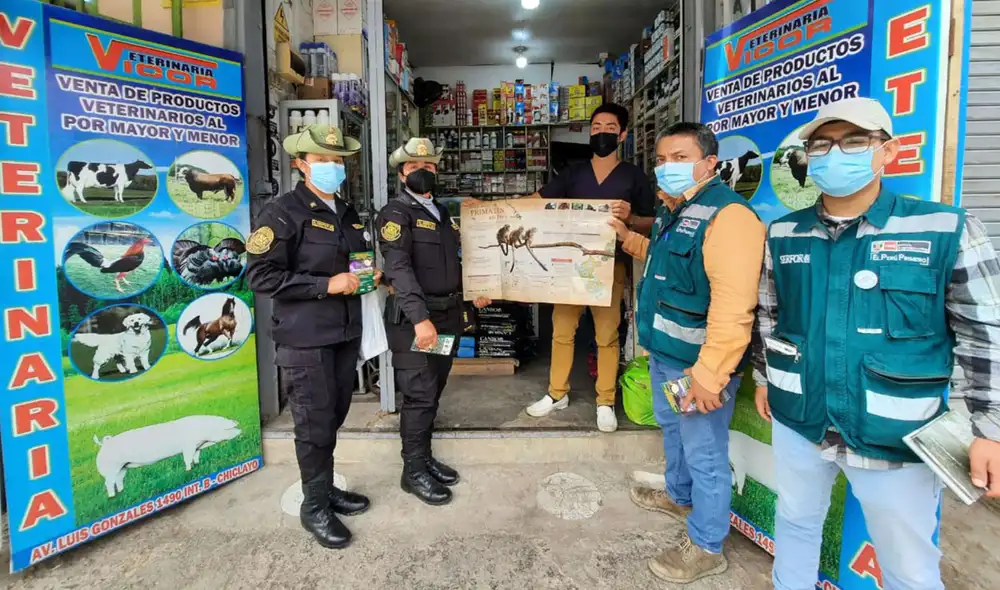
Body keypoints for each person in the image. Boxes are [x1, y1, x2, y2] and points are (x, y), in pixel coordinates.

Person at [751, 97, 1000, 590]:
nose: (834, 153)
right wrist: (765, 376)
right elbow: (770, 316)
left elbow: (984, 333)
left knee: (907, 566)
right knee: (796, 525)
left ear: (888, 152)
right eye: (821, 144)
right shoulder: (783, 233)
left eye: (854, 141)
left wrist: (989, 427)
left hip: (897, 434)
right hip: (801, 419)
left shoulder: (944, 228)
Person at [608, 123, 765, 583]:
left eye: (679, 157)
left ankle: (707, 544)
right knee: (674, 430)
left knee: (705, 452)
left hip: (698, 365)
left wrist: (710, 375)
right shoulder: (676, 209)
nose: (667, 167)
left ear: (709, 163)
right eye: (661, 159)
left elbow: (736, 307)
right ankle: (679, 497)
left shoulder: (729, 216)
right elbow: (661, 261)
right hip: (666, 354)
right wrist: (625, 236)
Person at [246, 123, 379, 549]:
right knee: (313, 423)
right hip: (305, 340)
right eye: (323, 160)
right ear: (300, 164)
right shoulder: (282, 213)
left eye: (338, 160)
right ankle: (314, 506)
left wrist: (364, 277)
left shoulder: (346, 210)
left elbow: (353, 263)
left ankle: (324, 490)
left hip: (342, 334)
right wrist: (326, 285)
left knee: (334, 416)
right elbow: (261, 275)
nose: (332, 167)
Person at [523, 102, 657, 432]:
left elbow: (655, 221)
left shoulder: (633, 177)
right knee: (562, 332)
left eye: (609, 128)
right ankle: (557, 393)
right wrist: (490, 210)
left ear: (622, 134)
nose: (601, 133)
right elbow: (538, 200)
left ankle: (606, 400)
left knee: (606, 336)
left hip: (610, 267)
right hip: (570, 265)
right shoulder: (573, 174)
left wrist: (632, 218)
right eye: (595, 128)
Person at [377, 138, 491, 506]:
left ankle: (423, 458)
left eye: (429, 167)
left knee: (434, 389)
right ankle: (412, 472)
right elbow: (400, 270)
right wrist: (421, 319)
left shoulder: (440, 212)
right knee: (418, 393)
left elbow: (452, 263)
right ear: (401, 173)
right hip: (415, 321)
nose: (423, 172)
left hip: (444, 317)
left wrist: (474, 291)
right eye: (414, 167)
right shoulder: (396, 215)